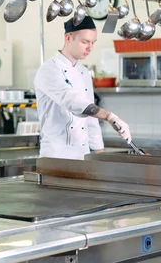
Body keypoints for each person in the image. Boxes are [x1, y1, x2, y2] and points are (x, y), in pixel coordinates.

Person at [34, 16, 132, 160]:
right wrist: (109, 116)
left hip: (82, 154)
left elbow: (91, 119)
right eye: (85, 42)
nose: (90, 48)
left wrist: (100, 153)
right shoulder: (49, 70)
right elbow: (72, 101)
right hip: (56, 156)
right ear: (68, 38)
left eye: (93, 42)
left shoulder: (84, 72)